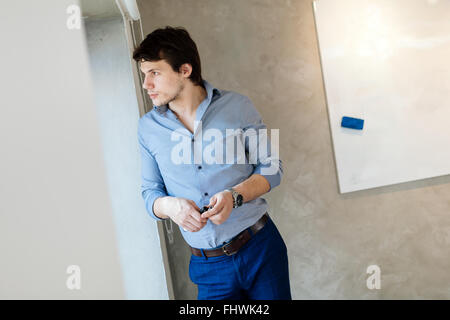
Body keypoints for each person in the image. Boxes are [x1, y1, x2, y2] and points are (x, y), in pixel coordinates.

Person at [133, 26, 291, 300]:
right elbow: (150, 193)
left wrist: (235, 196)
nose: (146, 84)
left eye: (155, 73)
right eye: (144, 75)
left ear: (185, 70)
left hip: (261, 250)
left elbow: (272, 166)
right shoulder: (147, 128)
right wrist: (171, 207)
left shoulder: (238, 106)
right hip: (208, 268)